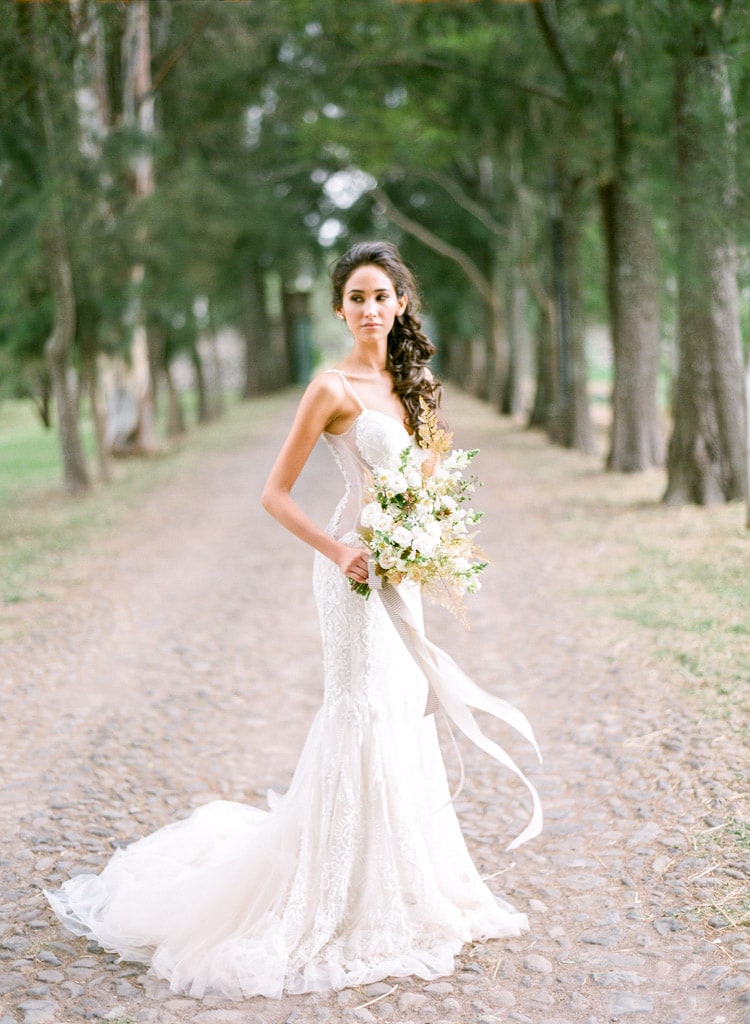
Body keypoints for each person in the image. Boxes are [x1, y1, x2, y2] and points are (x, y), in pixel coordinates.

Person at [45, 240, 541, 1000]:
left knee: (402, 712)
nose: (370, 309)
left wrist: (429, 536)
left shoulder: (416, 383)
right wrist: (339, 548)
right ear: (340, 310)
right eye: (356, 298)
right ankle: (334, 894)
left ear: (401, 303)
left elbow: (426, 479)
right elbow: (275, 494)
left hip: (401, 571)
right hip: (349, 574)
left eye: (382, 295)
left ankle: (407, 882)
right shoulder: (330, 386)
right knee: (359, 711)